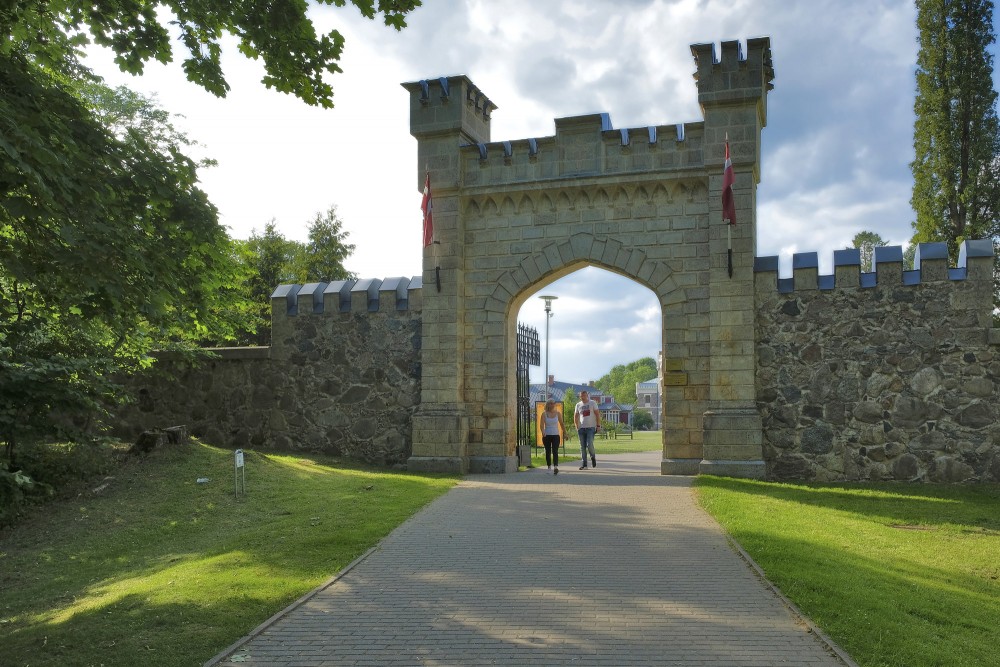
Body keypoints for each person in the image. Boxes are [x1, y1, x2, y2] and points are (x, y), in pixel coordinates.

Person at [574, 390, 601, 469]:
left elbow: (597, 414)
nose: (583, 397)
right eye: (581, 396)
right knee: (582, 446)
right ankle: (584, 464)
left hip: (591, 428)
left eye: (584, 395)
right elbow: (575, 416)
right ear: (580, 397)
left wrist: (598, 425)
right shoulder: (578, 405)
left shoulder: (592, 403)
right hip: (581, 428)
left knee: (589, 444)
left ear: (587, 396)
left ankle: (593, 457)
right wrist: (576, 426)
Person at [538, 399, 564, 475]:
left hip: (556, 435)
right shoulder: (544, 414)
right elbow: (541, 425)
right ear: (548, 405)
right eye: (551, 403)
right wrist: (543, 432)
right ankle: (549, 467)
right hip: (547, 435)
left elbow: (562, 424)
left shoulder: (558, 413)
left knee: (555, 451)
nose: (552, 405)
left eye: (553, 403)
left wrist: (565, 433)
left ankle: (555, 467)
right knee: (548, 451)